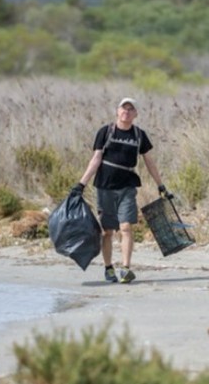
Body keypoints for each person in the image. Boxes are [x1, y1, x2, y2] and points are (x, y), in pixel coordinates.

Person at [70, 97, 171, 284]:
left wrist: (161, 185)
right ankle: (109, 268)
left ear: (135, 114)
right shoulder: (105, 132)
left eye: (130, 109)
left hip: (128, 186)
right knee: (107, 231)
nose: (126, 112)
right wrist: (81, 184)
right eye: (123, 108)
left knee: (125, 227)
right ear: (117, 112)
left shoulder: (139, 135)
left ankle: (125, 268)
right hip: (104, 186)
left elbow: (149, 161)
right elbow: (96, 159)